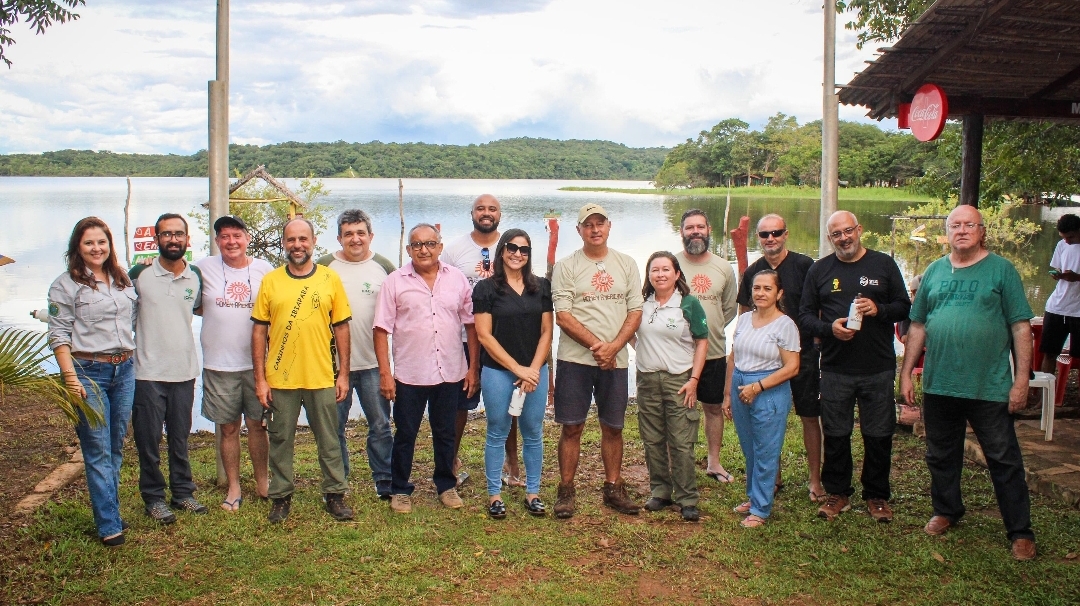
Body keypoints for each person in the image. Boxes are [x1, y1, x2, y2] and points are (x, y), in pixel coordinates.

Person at [900, 205, 1037, 561]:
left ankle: (1020, 531)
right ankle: (946, 510)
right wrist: (906, 372)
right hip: (940, 382)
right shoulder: (934, 271)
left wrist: (1022, 380)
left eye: (969, 225)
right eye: (955, 225)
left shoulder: (1002, 270)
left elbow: (1021, 327)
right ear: (947, 232)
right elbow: (918, 324)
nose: (961, 230)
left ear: (982, 231)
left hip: (988, 385)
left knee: (1004, 458)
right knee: (940, 454)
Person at [799, 210, 910, 522]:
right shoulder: (820, 270)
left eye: (848, 231)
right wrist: (829, 329)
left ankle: (876, 496)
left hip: (878, 366)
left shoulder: (883, 264)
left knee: (879, 434)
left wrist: (878, 309)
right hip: (836, 367)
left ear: (859, 230)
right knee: (836, 433)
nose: (844, 238)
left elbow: (903, 306)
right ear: (829, 238)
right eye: (836, 234)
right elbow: (805, 316)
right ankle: (838, 493)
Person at [251, 218, 354, 523]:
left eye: (303, 239)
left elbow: (341, 328)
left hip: (321, 376)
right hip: (280, 379)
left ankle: (334, 494)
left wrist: (343, 374)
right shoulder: (271, 281)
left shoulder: (329, 278)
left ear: (313, 241)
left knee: (329, 439)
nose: (297, 245)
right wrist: (260, 380)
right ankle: (281, 496)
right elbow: (259, 332)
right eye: (291, 239)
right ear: (285, 243)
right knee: (281, 440)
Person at [374, 223, 480, 514]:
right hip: (410, 373)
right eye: (417, 245)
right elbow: (381, 329)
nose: (424, 250)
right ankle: (400, 489)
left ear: (440, 247)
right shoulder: (395, 282)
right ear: (409, 249)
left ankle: (446, 485)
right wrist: (385, 373)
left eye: (430, 244)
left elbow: (471, 325)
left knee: (445, 432)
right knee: (406, 433)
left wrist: (473, 368)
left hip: (451, 370)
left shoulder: (457, 279)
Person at [47, 217, 138, 546]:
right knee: (97, 448)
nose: (96, 248)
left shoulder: (122, 278)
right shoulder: (65, 285)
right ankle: (109, 524)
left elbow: (132, 320)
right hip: (88, 371)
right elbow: (58, 335)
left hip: (124, 369)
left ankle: (110, 510)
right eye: (89, 243)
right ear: (78, 247)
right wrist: (70, 379)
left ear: (109, 245)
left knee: (115, 445)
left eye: (102, 242)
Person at [551, 203, 643, 519]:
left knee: (613, 427)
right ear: (579, 230)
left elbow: (635, 310)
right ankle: (566, 490)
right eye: (588, 225)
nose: (594, 229)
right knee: (572, 427)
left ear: (609, 226)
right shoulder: (566, 266)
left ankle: (613, 487)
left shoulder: (626, 263)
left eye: (599, 223)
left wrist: (614, 347)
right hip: (574, 360)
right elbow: (563, 316)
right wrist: (597, 347)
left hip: (615, 360)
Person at [736, 214, 822, 501]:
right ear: (758, 238)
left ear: (786, 234)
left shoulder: (805, 265)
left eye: (776, 233)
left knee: (809, 415)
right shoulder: (754, 272)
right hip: (763, 362)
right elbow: (744, 312)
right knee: (765, 422)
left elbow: (818, 306)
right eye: (764, 234)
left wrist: (818, 340)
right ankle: (772, 478)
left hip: (802, 354)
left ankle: (814, 480)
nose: (770, 238)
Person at [441, 194, 524, 488]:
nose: (486, 213)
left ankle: (511, 461)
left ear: (500, 214)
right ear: (472, 213)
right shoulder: (454, 250)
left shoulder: (512, 247)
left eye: (492, 209)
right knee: (459, 403)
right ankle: (451, 461)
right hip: (463, 338)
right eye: (480, 208)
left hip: (504, 337)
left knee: (508, 401)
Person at [129, 213, 207, 524]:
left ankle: (183, 492)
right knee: (148, 441)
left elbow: (200, 307)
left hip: (183, 370)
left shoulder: (195, 276)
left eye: (178, 234)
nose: (173, 239)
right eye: (166, 234)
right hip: (147, 372)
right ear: (156, 239)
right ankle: (153, 498)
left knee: (179, 437)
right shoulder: (139, 274)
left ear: (187, 239)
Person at [473, 229, 553, 519]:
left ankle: (533, 492)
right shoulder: (486, 289)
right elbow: (484, 335)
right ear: (502, 250)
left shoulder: (541, 286)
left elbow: (547, 332)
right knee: (497, 430)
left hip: (534, 371)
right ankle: (495, 494)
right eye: (512, 247)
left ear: (529, 254)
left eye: (524, 249)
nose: (517, 254)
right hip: (498, 372)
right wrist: (517, 369)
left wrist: (533, 370)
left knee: (533, 431)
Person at [317, 210, 397, 499]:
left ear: (370, 236)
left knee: (381, 425)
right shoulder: (324, 266)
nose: (355, 239)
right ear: (339, 238)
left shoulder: (384, 267)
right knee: (333, 427)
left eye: (360, 233)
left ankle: (384, 479)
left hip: (373, 363)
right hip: (332, 365)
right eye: (348, 234)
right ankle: (337, 481)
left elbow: (398, 311)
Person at [195, 215, 273, 511]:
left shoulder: (265, 270)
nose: (231, 242)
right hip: (219, 365)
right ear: (217, 241)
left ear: (247, 238)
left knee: (257, 426)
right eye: (225, 236)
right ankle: (233, 486)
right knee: (228, 429)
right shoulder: (202, 268)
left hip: (257, 365)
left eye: (237, 235)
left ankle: (263, 481)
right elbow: (192, 302)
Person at [635, 252, 708, 522]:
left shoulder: (688, 303)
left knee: (681, 441)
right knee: (652, 439)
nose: (660, 275)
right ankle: (660, 491)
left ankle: (687, 498)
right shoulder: (642, 304)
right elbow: (631, 333)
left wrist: (694, 380)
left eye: (666, 269)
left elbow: (702, 341)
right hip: (647, 380)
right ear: (649, 275)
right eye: (655, 270)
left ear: (677, 274)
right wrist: (643, 351)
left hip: (679, 380)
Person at [724, 270, 801, 527]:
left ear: (779, 294)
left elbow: (792, 367)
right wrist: (727, 394)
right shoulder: (745, 319)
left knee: (766, 450)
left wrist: (757, 387)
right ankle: (753, 496)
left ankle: (761, 508)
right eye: (757, 288)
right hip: (740, 384)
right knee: (749, 447)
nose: (760, 293)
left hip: (769, 389)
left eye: (767, 288)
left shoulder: (785, 325)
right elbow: (733, 357)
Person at [675, 209, 738, 484]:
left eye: (700, 227)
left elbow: (729, 308)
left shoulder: (723, 267)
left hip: (713, 351)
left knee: (713, 407)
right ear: (681, 232)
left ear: (709, 230)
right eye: (690, 228)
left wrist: (709, 327)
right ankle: (679, 464)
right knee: (678, 410)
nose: (695, 232)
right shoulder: (671, 264)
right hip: (678, 354)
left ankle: (713, 462)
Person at [1039, 214, 1080, 374]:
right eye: (1064, 237)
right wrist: (1058, 274)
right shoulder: (1062, 245)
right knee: (1049, 353)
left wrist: (1077, 277)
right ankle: (1046, 390)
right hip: (1057, 307)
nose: (1067, 241)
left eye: (1070, 237)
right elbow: (1057, 266)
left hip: (1078, 311)